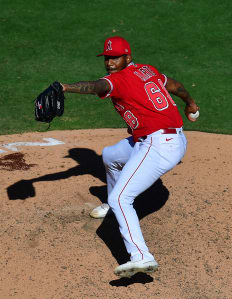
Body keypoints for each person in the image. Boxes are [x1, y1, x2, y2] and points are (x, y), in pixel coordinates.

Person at [60, 36, 199, 278]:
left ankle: (141, 257)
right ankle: (114, 209)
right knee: (111, 156)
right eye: (107, 57)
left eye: (115, 57)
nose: (110, 62)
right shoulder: (146, 70)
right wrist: (191, 104)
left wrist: (65, 87)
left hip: (158, 145)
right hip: (165, 138)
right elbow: (174, 86)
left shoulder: (118, 80)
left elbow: (96, 87)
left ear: (128, 57)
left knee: (121, 198)